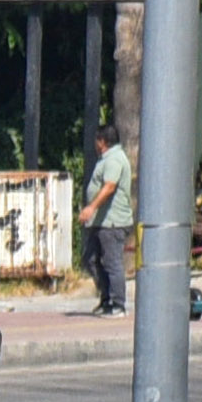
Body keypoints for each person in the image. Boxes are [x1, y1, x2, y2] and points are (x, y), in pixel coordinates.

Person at [82, 125, 136, 315]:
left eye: (97, 140)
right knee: (90, 259)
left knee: (112, 262)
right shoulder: (106, 159)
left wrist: (91, 207)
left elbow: (109, 187)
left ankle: (118, 303)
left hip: (113, 221)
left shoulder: (114, 159)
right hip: (101, 221)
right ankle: (105, 299)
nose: (95, 144)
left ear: (103, 141)